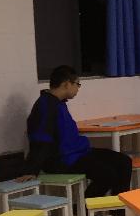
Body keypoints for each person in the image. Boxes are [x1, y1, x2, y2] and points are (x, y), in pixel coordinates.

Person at [19, 65, 132, 205]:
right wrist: (31, 169)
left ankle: (118, 210)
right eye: (77, 84)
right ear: (67, 84)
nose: (78, 88)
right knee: (107, 174)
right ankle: (83, 209)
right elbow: (40, 139)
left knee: (123, 161)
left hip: (76, 153)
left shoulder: (58, 103)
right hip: (61, 160)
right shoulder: (46, 106)